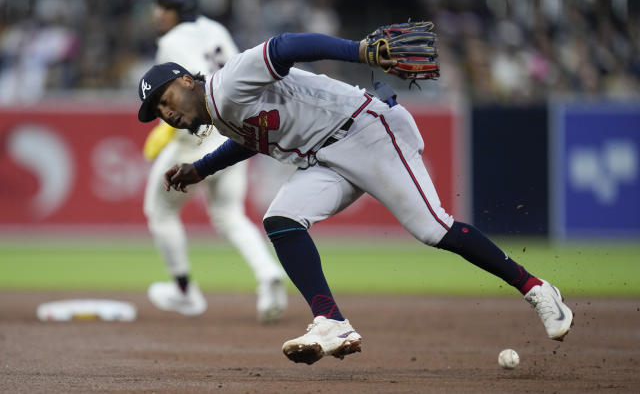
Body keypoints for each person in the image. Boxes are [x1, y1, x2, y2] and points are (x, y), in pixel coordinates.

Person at [135, 27, 574, 365]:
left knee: (433, 228)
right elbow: (250, 138)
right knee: (282, 218)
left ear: (188, 81)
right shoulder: (221, 111)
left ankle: (536, 288)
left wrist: (359, 50)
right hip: (325, 158)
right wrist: (200, 168)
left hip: (366, 131)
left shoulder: (227, 83)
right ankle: (331, 323)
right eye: (158, 112)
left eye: (164, 97)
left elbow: (285, 46)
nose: (167, 112)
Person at [139, 0, 287, 323]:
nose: (159, 12)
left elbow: (187, 99)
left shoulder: (173, 40)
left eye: (166, 5)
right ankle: (268, 275)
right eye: (158, 5)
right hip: (234, 133)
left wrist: (170, 132)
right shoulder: (215, 29)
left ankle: (183, 291)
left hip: (197, 139)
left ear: (183, 5)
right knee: (229, 215)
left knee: (159, 211)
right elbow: (234, 77)